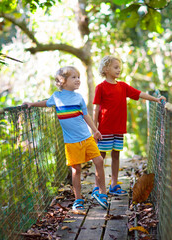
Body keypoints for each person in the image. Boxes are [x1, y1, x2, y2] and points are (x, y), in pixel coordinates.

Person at [23, 66, 108, 211]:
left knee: (99, 161)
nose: (78, 80)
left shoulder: (79, 97)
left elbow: (86, 115)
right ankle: (78, 199)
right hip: (72, 142)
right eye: (73, 77)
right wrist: (32, 104)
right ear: (62, 81)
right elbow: (46, 102)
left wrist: (95, 130)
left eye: (78, 77)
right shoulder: (56, 97)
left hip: (86, 137)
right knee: (76, 170)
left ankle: (102, 193)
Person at [93, 55, 166, 196]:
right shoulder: (100, 88)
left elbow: (139, 94)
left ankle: (114, 185)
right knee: (100, 158)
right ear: (106, 69)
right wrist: (95, 129)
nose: (118, 69)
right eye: (115, 67)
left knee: (116, 156)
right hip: (103, 130)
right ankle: (98, 186)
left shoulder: (123, 86)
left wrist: (156, 99)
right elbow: (96, 109)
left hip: (118, 129)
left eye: (119, 67)